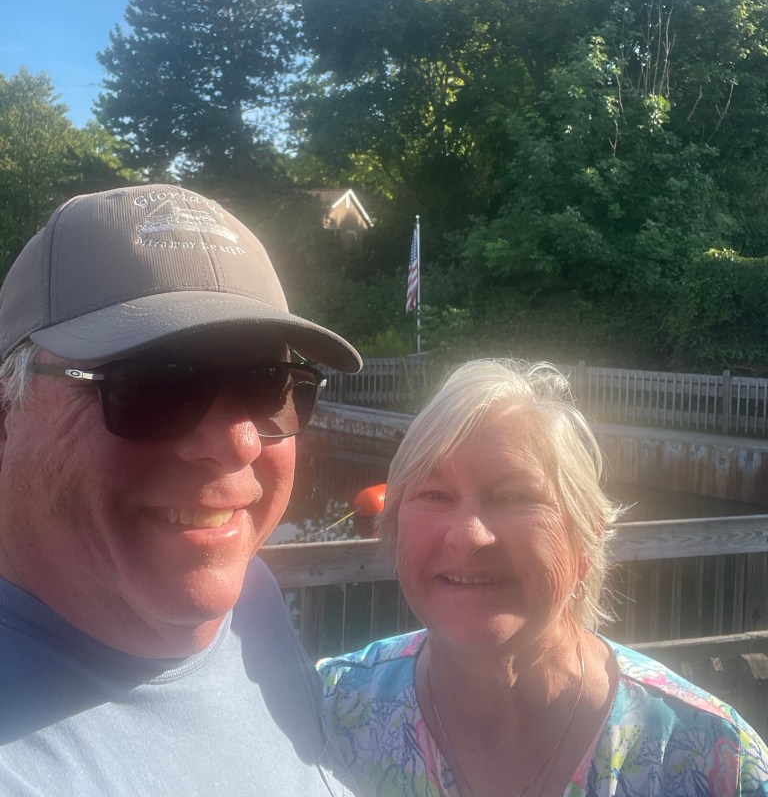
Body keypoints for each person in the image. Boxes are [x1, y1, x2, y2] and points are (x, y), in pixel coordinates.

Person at [0, 183, 361, 795]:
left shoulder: (250, 597)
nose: (239, 443)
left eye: (269, 385)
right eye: (155, 384)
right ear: (8, 416)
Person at [318, 359, 768, 797]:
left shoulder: (713, 761)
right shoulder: (327, 713)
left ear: (586, 538)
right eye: (435, 494)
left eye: (515, 496)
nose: (469, 535)